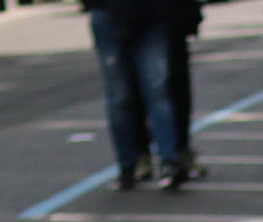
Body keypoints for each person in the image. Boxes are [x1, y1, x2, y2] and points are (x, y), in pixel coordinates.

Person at [81, 0, 184, 191]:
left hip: (149, 14)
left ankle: (168, 160)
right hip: (109, 13)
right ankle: (127, 163)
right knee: (121, 96)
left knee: (157, 88)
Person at [123, 0, 206, 183]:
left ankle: (179, 150)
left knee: (174, 87)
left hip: (167, 15)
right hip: (129, 14)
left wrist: (191, 15)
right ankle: (142, 154)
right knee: (135, 89)